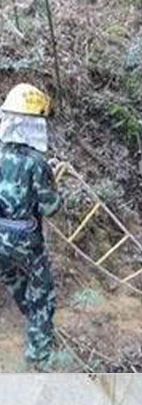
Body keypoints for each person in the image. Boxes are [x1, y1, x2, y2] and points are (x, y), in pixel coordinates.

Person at [0, 83, 62, 364]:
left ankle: (39, 329)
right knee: (43, 292)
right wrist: (57, 185)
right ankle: (39, 353)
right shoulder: (37, 163)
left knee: (13, 278)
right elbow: (50, 207)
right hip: (25, 240)